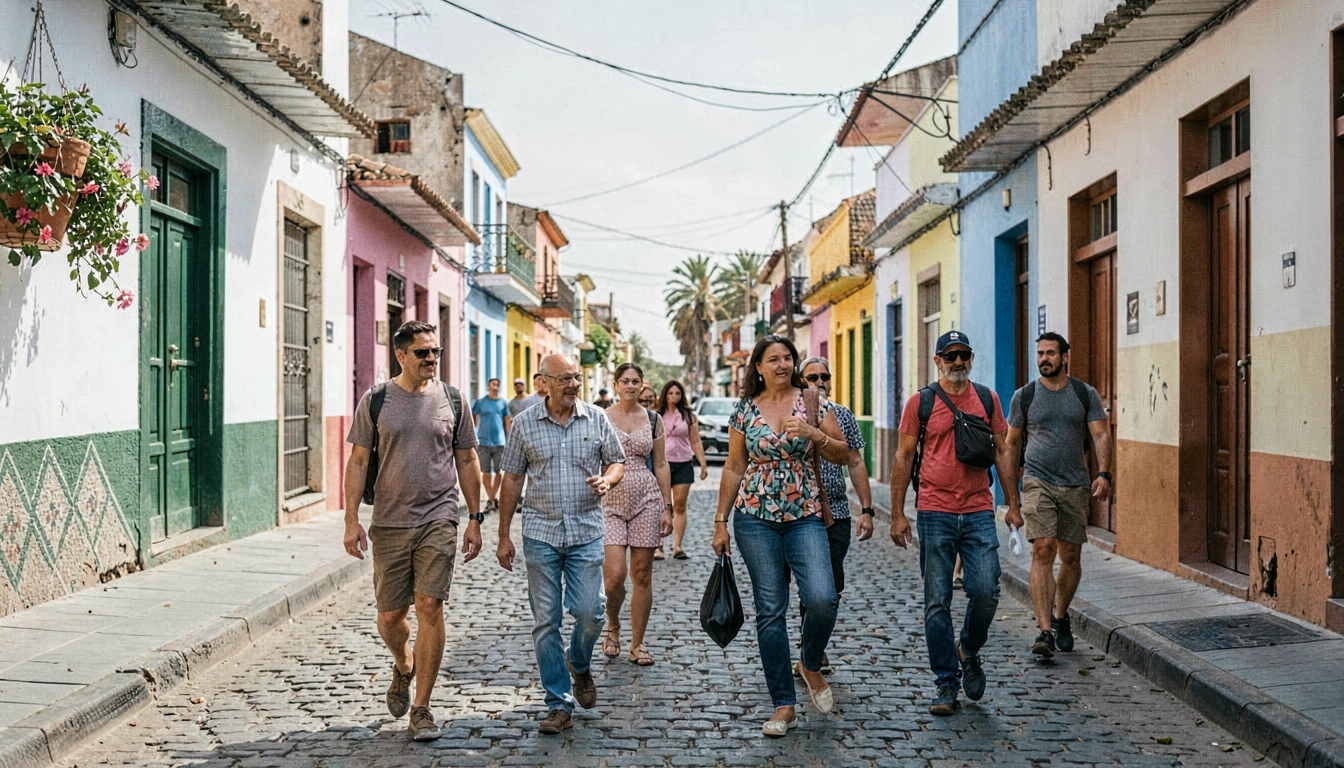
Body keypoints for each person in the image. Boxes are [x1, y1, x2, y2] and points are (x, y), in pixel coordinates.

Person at [342, 321, 483, 742]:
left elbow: (467, 460)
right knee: (390, 617)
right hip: (389, 519)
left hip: (439, 515)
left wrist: (475, 517)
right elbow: (359, 462)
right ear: (401, 355)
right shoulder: (377, 400)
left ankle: (422, 708)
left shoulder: (453, 400)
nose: (431, 359)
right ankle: (403, 664)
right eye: (422, 352)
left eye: (435, 351)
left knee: (430, 605)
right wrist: (351, 519)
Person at [712, 335, 848, 737]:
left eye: (788, 357)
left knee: (822, 597)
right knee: (770, 610)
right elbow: (734, 466)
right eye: (773, 359)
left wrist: (813, 433)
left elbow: (844, 453)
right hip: (754, 519)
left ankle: (809, 661)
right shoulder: (744, 410)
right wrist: (720, 521)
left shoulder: (813, 402)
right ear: (758, 367)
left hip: (805, 514)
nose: (783, 364)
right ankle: (783, 704)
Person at [887, 330, 1022, 717]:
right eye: (950, 356)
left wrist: (1013, 504)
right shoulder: (921, 402)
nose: (958, 362)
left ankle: (968, 648)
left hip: (979, 508)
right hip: (934, 510)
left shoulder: (987, 398)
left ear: (971, 358)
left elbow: (1003, 448)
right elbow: (903, 457)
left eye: (964, 355)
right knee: (937, 601)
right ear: (937, 361)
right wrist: (898, 514)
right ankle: (946, 683)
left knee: (985, 589)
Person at [496, 354, 626, 734]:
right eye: (565, 379)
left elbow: (617, 461)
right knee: (546, 622)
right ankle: (558, 703)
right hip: (541, 534)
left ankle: (579, 663)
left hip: (586, 531)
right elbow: (512, 480)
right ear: (544, 383)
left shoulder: (596, 418)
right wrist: (504, 535)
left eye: (576, 378)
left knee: (591, 612)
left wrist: (609, 480)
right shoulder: (523, 424)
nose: (573, 385)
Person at [1006, 333, 1111, 657]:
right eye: (1040, 353)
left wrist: (1104, 473)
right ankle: (1045, 631)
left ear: (1065, 357)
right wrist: (1012, 497)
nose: (1044, 359)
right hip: (1037, 481)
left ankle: (1061, 615)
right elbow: (1011, 444)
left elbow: (1100, 433)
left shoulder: (1083, 393)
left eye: (1051, 353)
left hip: (1076, 484)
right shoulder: (1024, 396)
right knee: (1043, 549)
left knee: (1071, 557)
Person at [796, 356, 875, 673]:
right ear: (801, 381)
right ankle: (811, 652)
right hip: (801, 513)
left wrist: (867, 509)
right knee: (811, 585)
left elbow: (855, 462)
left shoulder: (842, 415)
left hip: (838, 511)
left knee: (831, 585)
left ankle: (813, 645)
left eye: (824, 376)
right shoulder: (791, 416)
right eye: (812, 377)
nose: (819, 382)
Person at [600, 363, 674, 665]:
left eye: (636, 381)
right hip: (610, 501)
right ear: (616, 385)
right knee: (614, 576)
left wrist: (666, 507)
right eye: (625, 381)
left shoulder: (653, 419)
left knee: (642, 574)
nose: (631, 386)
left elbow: (661, 464)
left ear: (642, 385)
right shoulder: (602, 418)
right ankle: (613, 624)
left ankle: (638, 643)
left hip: (646, 498)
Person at [654, 379, 708, 560]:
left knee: (680, 504)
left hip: (684, 462)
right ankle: (658, 546)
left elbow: (695, 440)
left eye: (677, 393)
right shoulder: (657, 414)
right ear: (665, 395)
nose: (674, 397)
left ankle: (677, 546)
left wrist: (702, 463)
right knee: (660, 505)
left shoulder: (688, 415)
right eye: (670, 393)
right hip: (662, 463)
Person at [473, 378, 511, 513]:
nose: (495, 387)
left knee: (499, 471)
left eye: (497, 385)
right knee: (486, 471)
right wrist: (474, 435)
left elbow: (507, 420)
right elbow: (474, 419)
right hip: (483, 441)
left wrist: (509, 438)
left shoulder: (502, 403)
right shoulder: (480, 402)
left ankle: (491, 499)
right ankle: (491, 499)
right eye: (493, 384)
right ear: (488, 386)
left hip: (499, 442)